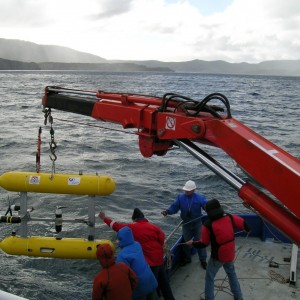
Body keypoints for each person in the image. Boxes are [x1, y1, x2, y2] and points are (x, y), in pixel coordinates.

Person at [99, 208, 175, 300]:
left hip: (150, 263)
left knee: (151, 289)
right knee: (164, 283)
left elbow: (116, 226)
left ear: (134, 219)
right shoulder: (153, 227)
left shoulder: (132, 228)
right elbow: (162, 238)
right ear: (143, 217)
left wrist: (104, 218)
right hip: (159, 258)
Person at [186, 199, 251, 300]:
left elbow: (204, 243)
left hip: (218, 256)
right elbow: (244, 224)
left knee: (209, 277)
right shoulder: (229, 216)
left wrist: (192, 243)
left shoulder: (207, 225)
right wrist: (247, 228)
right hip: (230, 252)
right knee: (231, 274)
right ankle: (239, 297)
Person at [161, 180, 208, 269]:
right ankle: (187, 259)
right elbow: (174, 207)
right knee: (187, 242)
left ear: (193, 190)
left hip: (197, 223)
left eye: (188, 190)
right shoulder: (180, 197)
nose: (186, 191)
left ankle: (203, 260)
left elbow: (205, 204)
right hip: (186, 224)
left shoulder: (199, 198)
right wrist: (167, 211)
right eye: (185, 190)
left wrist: (208, 207)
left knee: (200, 242)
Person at [116, 226, 158, 300]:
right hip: (150, 279)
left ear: (121, 239)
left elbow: (123, 276)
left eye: (119, 239)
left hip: (139, 286)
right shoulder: (137, 244)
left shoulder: (122, 256)